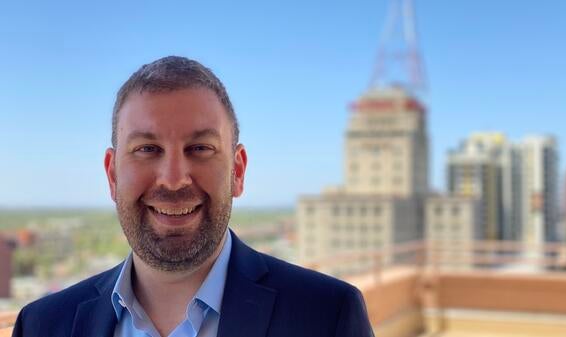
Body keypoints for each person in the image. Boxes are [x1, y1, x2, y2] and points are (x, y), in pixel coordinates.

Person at [12, 56, 374, 337]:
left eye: (200, 148)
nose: (173, 180)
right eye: (147, 148)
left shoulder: (326, 316)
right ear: (111, 174)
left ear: (237, 170)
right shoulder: (43, 325)